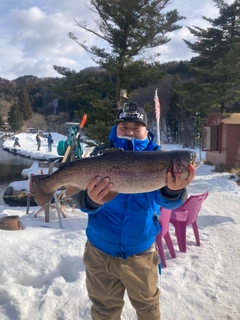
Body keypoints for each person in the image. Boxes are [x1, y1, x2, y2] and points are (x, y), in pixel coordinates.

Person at [73, 102, 195, 320]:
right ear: (115, 129)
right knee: (103, 311)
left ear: (146, 131)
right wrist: (90, 200)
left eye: (136, 126)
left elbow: (167, 203)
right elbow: (80, 200)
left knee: (148, 310)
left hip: (141, 253)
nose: (129, 131)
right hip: (100, 250)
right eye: (124, 126)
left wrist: (174, 191)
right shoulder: (99, 158)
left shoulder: (161, 159)